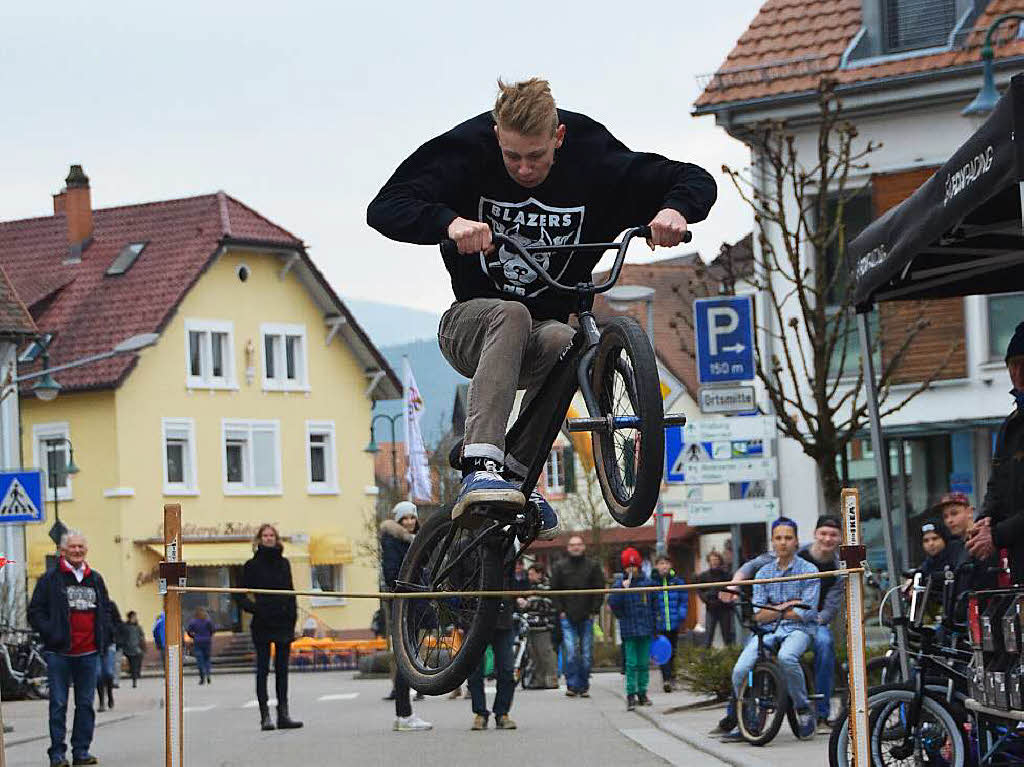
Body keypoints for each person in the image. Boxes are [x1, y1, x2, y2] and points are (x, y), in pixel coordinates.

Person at [367, 77, 716, 540]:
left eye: (537, 157)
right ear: (496, 136)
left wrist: (675, 211)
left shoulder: (594, 155)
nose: (524, 169)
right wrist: (449, 224)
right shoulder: (467, 149)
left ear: (559, 137)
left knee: (566, 341)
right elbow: (385, 207)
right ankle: (480, 461)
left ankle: (516, 475)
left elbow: (692, 179)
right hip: (470, 326)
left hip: (538, 337)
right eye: (512, 157)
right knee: (512, 314)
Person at [723, 515, 844, 728]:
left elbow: (827, 609)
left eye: (833, 535)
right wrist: (735, 585)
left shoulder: (834, 568)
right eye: (823, 533)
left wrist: (810, 614)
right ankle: (739, 715)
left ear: (840, 538)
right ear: (814, 535)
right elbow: (756, 601)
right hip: (773, 625)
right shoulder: (781, 560)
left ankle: (819, 711)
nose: (827, 539)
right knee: (743, 665)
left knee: (823, 645)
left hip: (811, 621)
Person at [28, 530, 111, 767]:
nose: (77, 551)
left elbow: (105, 609)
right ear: (63, 550)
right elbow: (35, 612)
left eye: (81, 547)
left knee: (85, 705)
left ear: (86, 550)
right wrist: (51, 633)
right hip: (59, 653)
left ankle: (81, 751)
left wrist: (104, 634)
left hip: (88, 652)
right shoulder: (50, 580)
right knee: (58, 705)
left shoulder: (95, 579)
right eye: (72, 547)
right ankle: (57, 754)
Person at [969, 324, 1024, 580]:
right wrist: (986, 519)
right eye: (1013, 364)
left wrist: (997, 535)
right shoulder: (1010, 425)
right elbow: (997, 484)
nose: (1019, 373)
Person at [237, 524, 303, 731]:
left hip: (283, 621)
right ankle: (265, 716)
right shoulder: (251, 565)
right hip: (263, 623)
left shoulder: (284, 563)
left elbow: (290, 592)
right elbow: (238, 594)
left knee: (282, 671)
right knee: (263, 670)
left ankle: (283, 714)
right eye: (264, 535)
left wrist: (293, 619)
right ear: (259, 539)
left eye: (271, 535)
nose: (268, 538)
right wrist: (255, 609)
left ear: (276, 538)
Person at [379, 501, 431, 732]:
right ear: (398, 521)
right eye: (405, 519)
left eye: (412, 518)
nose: (410, 522)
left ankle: (404, 714)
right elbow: (392, 574)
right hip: (404, 605)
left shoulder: (416, 541)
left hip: (414, 604)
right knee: (404, 661)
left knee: (407, 660)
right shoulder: (394, 541)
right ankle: (404, 715)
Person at [550, 535, 605, 697]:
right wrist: (560, 611)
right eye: (573, 545)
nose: (576, 547)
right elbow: (554, 590)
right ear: (568, 548)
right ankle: (572, 685)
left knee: (586, 654)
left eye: (579, 544)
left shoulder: (593, 566)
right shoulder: (559, 567)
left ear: (583, 547)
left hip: (587, 616)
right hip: (567, 616)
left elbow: (599, 589)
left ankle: (584, 685)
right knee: (572, 652)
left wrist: (594, 611)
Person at [609, 547, 656, 711]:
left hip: (645, 629)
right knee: (631, 663)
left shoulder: (647, 583)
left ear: (639, 566)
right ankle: (630, 694)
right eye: (628, 567)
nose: (631, 570)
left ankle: (642, 692)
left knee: (644, 662)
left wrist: (654, 625)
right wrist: (621, 590)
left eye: (634, 567)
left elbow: (654, 605)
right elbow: (613, 605)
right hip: (629, 630)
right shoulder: (619, 585)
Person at [517, 563, 559, 689]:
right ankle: (538, 680)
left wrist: (528, 603)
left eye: (532, 574)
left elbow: (546, 604)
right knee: (534, 655)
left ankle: (552, 679)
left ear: (539, 573)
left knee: (545, 653)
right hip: (532, 625)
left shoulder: (546, 586)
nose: (529, 576)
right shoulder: (531, 586)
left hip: (543, 626)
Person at [651, 554, 687, 693]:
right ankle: (666, 679)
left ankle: (673, 676)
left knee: (673, 651)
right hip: (660, 623)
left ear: (670, 565)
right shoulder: (653, 582)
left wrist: (681, 614)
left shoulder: (677, 582)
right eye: (661, 563)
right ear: (656, 566)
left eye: (666, 563)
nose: (664, 566)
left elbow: (683, 600)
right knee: (662, 651)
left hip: (673, 621)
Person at [696, 551, 734, 647]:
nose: (714, 562)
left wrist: (727, 598)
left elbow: (731, 589)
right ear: (709, 561)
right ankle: (706, 659)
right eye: (712, 560)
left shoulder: (727, 575)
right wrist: (706, 599)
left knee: (727, 636)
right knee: (708, 636)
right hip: (711, 609)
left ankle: (731, 656)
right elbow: (699, 590)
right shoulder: (703, 576)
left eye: (716, 560)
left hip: (724, 608)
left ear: (720, 561)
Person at [96, 600, 122, 712]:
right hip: (94, 645)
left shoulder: (110, 605)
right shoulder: (92, 605)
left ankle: (110, 694)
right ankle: (101, 701)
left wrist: (114, 633)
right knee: (98, 674)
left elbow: (118, 622)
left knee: (108, 672)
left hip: (109, 643)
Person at [186, 607, 215, 685]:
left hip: (198, 642)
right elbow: (212, 630)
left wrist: (193, 636)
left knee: (200, 660)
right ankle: (208, 675)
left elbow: (188, 631)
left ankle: (202, 677)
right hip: (207, 642)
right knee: (207, 659)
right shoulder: (208, 621)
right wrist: (208, 636)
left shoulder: (193, 622)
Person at [122, 611, 145, 688]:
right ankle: (134, 677)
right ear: (130, 617)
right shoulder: (125, 627)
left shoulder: (138, 627)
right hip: (128, 649)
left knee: (136, 663)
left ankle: (135, 675)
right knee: (133, 665)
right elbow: (123, 637)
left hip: (137, 649)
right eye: (134, 617)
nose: (135, 618)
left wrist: (142, 645)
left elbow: (142, 636)